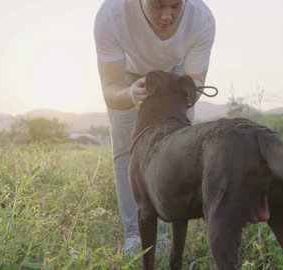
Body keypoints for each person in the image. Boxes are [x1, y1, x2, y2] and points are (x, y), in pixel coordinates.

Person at [93, 0, 216, 254]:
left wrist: (175, 98)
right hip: (128, 76)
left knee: (176, 149)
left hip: (178, 74)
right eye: (158, 6)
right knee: (127, 149)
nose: (167, 16)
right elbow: (110, 89)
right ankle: (133, 234)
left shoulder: (202, 19)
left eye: (175, 6)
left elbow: (195, 85)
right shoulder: (111, 16)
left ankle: (162, 235)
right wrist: (129, 94)